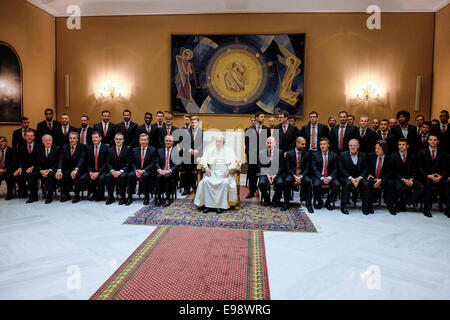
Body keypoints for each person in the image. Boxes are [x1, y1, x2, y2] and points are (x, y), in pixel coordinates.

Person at [194, 134, 237, 214]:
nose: (217, 143)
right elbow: (203, 159)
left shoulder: (229, 150)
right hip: (212, 173)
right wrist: (206, 168)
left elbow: (235, 162)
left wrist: (228, 170)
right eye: (216, 141)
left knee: (225, 182)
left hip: (224, 173)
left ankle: (220, 206)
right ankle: (208, 206)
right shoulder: (210, 149)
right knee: (206, 181)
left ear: (223, 142)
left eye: (219, 141)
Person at [416, 134, 447, 217]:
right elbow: (419, 168)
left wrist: (441, 176)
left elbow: (444, 168)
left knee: (447, 183)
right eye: (431, 140)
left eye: (434, 140)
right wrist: (428, 175)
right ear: (428, 141)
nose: (433, 141)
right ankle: (426, 208)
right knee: (428, 183)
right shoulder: (421, 152)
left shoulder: (443, 153)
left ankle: (448, 208)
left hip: (438, 177)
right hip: (426, 177)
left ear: (438, 141)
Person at [390, 138, 424, 212]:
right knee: (397, 187)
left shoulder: (413, 156)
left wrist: (412, 179)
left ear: (407, 146)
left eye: (403, 144)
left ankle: (405, 202)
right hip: (399, 178)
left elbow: (415, 170)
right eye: (399, 144)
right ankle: (400, 203)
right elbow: (393, 172)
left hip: (410, 178)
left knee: (421, 187)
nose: (401, 146)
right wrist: (403, 179)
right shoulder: (393, 156)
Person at [338, 139, 370, 215]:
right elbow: (341, 168)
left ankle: (365, 206)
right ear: (348, 146)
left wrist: (360, 178)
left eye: (354, 145)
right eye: (350, 145)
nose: (352, 147)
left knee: (366, 184)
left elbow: (366, 168)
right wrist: (351, 178)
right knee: (348, 183)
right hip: (347, 177)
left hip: (359, 177)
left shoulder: (363, 155)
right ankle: (343, 205)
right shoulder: (343, 155)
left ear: (358, 146)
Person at [56, 132, 88, 204]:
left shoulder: (82, 147)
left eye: (74, 138)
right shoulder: (64, 147)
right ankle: (66, 195)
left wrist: (76, 169)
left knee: (75, 175)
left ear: (77, 139)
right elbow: (61, 159)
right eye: (70, 138)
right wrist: (59, 170)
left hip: (79, 169)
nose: (72, 140)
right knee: (62, 174)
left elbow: (82, 159)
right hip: (68, 169)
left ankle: (77, 196)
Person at [283, 137, 313, 213]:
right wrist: (295, 176)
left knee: (308, 182)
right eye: (302, 144)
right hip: (292, 174)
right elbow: (287, 168)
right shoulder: (289, 153)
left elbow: (307, 168)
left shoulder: (307, 154)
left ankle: (309, 204)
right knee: (287, 181)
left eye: (305, 144)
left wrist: (301, 176)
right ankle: (286, 203)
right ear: (297, 143)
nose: (304, 146)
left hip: (303, 174)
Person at [366, 140, 396, 215]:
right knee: (369, 182)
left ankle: (391, 206)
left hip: (383, 178)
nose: (376, 150)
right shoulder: (370, 156)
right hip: (373, 177)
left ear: (384, 149)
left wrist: (382, 180)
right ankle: (369, 206)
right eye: (376, 148)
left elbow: (391, 172)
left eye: (378, 148)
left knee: (391, 183)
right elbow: (366, 168)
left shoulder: (390, 158)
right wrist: (368, 174)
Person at [245, 111, 270, 199]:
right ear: (256, 118)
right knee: (252, 174)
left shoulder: (267, 129)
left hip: (263, 157)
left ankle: (263, 192)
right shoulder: (249, 129)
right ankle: (251, 192)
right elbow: (247, 144)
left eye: (264, 117)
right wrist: (249, 154)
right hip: (252, 156)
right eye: (261, 117)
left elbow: (268, 143)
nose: (263, 118)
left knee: (263, 174)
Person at [127, 133, 157, 206]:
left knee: (145, 176)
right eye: (142, 140)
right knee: (130, 175)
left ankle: (146, 197)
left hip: (148, 171)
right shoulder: (134, 150)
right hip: (137, 170)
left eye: (145, 140)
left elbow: (153, 163)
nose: (143, 142)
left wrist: (143, 170)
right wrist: (135, 170)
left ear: (148, 141)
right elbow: (132, 162)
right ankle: (130, 197)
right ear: (139, 141)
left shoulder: (153, 150)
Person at [311, 137, 340, 210]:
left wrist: (330, 177)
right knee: (316, 184)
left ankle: (328, 201)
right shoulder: (315, 155)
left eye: (324, 144)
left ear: (328, 145)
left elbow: (336, 168)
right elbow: (314, 168)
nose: (322, 146)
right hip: (319, 176)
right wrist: (322, 177)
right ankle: (320, 201)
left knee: (337, 184)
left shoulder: (334, 155)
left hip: (330, 176)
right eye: (320, 144)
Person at [13, 129, 41, 203]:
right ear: (25, 137)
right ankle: (24, 191)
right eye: (27, 136)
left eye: (31, 136)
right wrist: (20, 167)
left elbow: (40, 159)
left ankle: (34, 196)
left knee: (31, 175)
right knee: (17, 175)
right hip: (25, 167)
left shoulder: (39, 146)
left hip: (36, 167)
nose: (29, 137)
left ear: (34, 137)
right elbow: (20, 159)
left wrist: (33, 166)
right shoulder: (21, 147)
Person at [105, 132, 131, 205]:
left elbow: (128, 163)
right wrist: (112, 171)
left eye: (120, 139)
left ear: (123, 140)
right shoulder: (110, 150)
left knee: (122, 177)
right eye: (117, 139)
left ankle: (122, 198)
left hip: (123, 171)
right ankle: (111, 198)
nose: (118, 141)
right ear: (114, 140)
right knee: (107, 176)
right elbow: (108, 162)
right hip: (113, 170)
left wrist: (120, 171)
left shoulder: (127, 149)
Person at [258, 137, 284, 207]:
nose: (269, 144)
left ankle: (275, 199)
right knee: (261, 183)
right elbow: (260, 166)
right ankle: (266, 198)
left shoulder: (280, 152)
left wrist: (275, 174)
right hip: (265, 173)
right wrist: (267, 175)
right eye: (268, 143)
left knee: (280, 183)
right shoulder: (261, 153)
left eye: (271, 143)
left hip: (277, 173)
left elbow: (281, 166)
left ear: (275, 144)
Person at [180, 116, 203, 196]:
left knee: (199, 172)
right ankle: (187, 189)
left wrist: (197, 150)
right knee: (187, 173)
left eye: (195, 122)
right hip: (188, 155)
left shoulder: (202, 132)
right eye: (192, 122)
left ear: (198, 123)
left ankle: (199, 190)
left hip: (198, 155)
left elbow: (203, 143)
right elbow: (183, 143)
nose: (193, 124)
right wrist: (190, 150)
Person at [155, 135, 180, 207]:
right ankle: (159, 198)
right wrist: (159, 170)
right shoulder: (159, 151)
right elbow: (156, 162)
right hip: (161, 171)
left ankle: (167, 198)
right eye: (166, 140)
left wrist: (169, 170)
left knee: (167, 177)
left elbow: (178, 163)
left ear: (173, 142)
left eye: (170, 141)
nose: (168, 142)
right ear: (164, 141)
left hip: (171, 172)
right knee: (158, 176)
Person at [36, 134, 60, 204]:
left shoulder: (57, 148)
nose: (48, 142)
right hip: (42, 170)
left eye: (49, 140)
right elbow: (37, 162)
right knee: (32, 175)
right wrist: (41, 170)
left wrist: (49, 170)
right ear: (42, 141)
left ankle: (49, 197)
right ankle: (33, 196)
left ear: (52, 141)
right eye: (46, 140)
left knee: (51, 175)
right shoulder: (39, 150)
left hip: (52, 169)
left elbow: (58, 162)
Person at [86, 131, 109, 202]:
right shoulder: (89, 148)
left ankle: (100, 195)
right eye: (93, 137)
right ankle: (93, 193)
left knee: (101, 178)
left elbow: (106, 162)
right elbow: (87, 162)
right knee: (86, 177)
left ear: (100, 138)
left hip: (103, 169)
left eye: (96, 137)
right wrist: (90, 172)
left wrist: (98, 172)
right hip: (92, 170)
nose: (94, 139)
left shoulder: (106, 148)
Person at [0, 136, 17, 200]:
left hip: (8, 170)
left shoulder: (11, 150)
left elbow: (14, 163)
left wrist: (5, 170)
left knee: (9, 177)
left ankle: (10, 195)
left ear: (6, 142)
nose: (1, 143)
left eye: (2, 141)